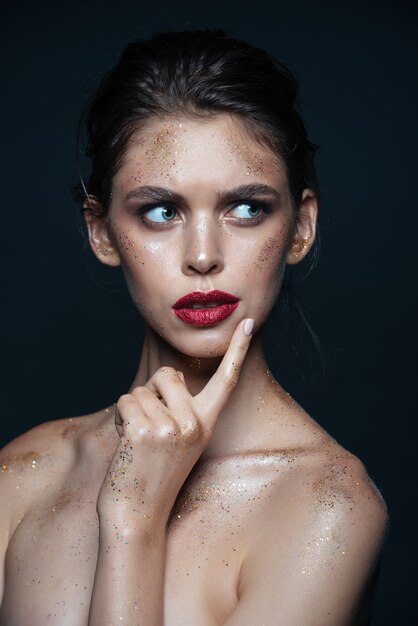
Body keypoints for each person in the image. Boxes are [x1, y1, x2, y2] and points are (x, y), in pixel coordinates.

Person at [0, 29, 388, 625]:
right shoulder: (22, 475)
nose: (202, 256)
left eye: (246, 208)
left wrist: (133, 522)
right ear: (101, 231)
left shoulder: (328, 505)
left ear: (301, 227)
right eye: (160, 211)